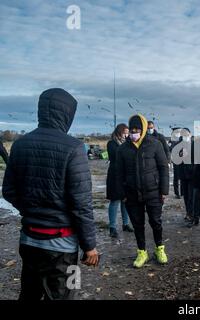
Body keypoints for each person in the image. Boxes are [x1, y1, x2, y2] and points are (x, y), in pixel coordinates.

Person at [2, 88, 98, 300]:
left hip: (29, 240)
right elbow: (82, 204)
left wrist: (31, 209)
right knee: (67, 294)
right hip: (63, 245)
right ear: (67, 114)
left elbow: (9, 191)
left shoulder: (19, 145)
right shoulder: (74, 148)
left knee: (29, 294)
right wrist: (90, 246)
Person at [117, 114, 169, 267]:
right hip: (131, 194)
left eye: (137, 129)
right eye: (131, 130)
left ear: (144, 129)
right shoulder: (123, 149)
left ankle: (159, 249)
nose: (134, 133)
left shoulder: (155, 144)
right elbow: (118, 173)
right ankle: (142, 252)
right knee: (137, 224)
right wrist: (122, 194)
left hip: (153, 192)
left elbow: (163, 167)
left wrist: (163, 190)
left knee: (155, 221)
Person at [106, 124, 134, 238]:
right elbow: (115, 156)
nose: (127, 134)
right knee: (115, 201)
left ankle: (125, 224)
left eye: (128, 132)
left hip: (125, 175)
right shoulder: (112, 143)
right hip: (115, 175)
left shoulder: (127, 144)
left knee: (125, 201)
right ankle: (112, 227)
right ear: (119, 132)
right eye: (125, 132)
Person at [178, 128, 195, 224]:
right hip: (182, 173)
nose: (185, 136)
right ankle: (188, 213)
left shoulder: (194, 144)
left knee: (191, 195)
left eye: (186, 134)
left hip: (192, 174)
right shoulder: (179, 144)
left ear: (190, 134)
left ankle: (192, 214)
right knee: (185, 195)